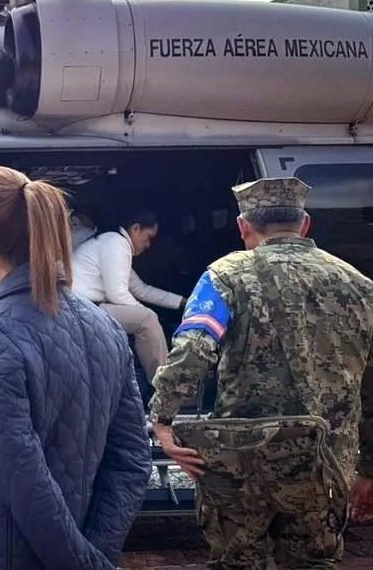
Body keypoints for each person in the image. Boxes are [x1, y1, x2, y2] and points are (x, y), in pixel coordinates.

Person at [149, 177, 373, 569]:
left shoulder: (224, 276)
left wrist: (162, 420)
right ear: (305, 224)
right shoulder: (360, 286)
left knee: (237, 562)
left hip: (243, 463)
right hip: (322, 464)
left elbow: (193, 349)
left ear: (243, 226)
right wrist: (368, 468)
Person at [0, 166, 151, 569]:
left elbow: (23, 480)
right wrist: (96, 553)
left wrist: (82, 563)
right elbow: (131, 460)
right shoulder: (106, 327)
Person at [72, 208, 185, 382]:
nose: (148, 245)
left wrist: (181, 301)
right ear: (136, 228)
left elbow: (141, 290)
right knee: (147, 319)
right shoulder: (117, 243)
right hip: (83, 308)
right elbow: (117, 294)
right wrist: (145, 313)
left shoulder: (111, 242)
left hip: (85, 306)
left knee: (147, 317)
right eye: (148, 237)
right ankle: (165, 386)